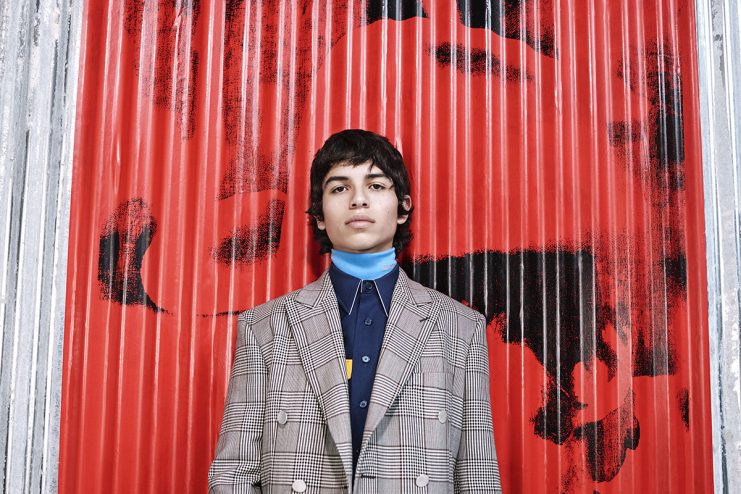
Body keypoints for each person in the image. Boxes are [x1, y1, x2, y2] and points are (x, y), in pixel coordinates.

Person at [208, 129, 501, 493]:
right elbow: (234, 473)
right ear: (319, 215)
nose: (358, 200)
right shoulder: (264, 326)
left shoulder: (460, 327)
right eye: (339, 188)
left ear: (403, 207)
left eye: (375, 186)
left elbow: (477, 473)